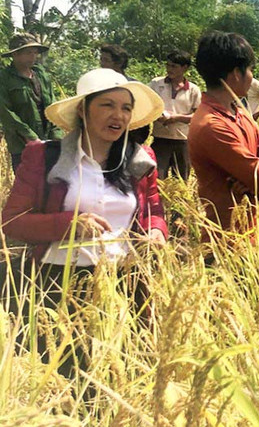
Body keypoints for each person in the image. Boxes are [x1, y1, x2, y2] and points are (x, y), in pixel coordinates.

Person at [1, 68, 167, 377]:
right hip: (59, 283)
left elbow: (154, 207)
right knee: (68, 374)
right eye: (107, 105)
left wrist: (156, 230)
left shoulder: (141, 159)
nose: (118, 115)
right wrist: (69, 223)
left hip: (123, 281)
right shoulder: (44, 157)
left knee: (120, 370)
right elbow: (12, 221)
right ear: (83, 109)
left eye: (126, 108)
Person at [188, 32, 259, 252]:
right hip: (229, 244)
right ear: (235, 75)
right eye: (250, 70)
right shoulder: (212, 125)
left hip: (256, 236)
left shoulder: (239, 112)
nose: (251, 76)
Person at [0, 33, 63, 170]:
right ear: (15, 54)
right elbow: (6, 113)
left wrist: (56, 134)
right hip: (22, 147)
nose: (33, 57)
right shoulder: (4, 78)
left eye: (35, 53)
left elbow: (53, 106)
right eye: (28, 53)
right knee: (28, 188)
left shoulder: (41, 75)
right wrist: (30, 137)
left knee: (53, 187)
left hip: (49, 143)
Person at [149, 50, 201, 180]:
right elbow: (147, 105)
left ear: (185, 68)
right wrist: (157, 115)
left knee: (181, 180)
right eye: (168, 65)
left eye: (174, 66)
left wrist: (175, 118)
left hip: (182, 141)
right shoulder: (156, 84)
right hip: (160, 139)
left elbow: (199, 117)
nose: (169, 69)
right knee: (156, 179)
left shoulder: (193, 90)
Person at [99, 43, 150, 143]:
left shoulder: (133, 86)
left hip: (128, 138)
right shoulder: (98, 86)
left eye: (106, 60)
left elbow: (142, 116)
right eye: (101, 59)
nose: (101, 64)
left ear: (119, 63)